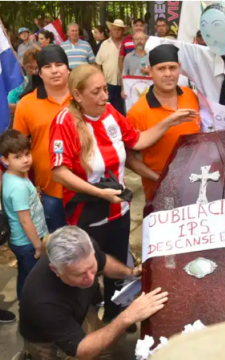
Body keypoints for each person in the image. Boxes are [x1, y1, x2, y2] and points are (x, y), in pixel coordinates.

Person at [48, 64, 197, 323]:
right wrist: (98, 193)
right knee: (89, 270)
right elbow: (59, 172)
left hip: (119, 208)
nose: (105, 97)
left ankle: (116, 316)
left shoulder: (110, 113)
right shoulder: (65, 122)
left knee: (116, 265)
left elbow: (136, 141)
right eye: (96, 92)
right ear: (77, 95)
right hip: (88, 214)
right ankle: (86, 322)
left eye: (105, 89)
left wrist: (169, 121)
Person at [19, 226, 168, 360]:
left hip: (79, 314)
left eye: (91, 267)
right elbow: (81, 350)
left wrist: (131, 272)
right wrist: (127, 317)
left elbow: (104, 261)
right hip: (49, 342)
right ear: (55, 270)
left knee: (109, 350)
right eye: (79, 274)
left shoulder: (83, 248)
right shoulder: (43, 302)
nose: (91, 279)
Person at [127, 44, 201, 200]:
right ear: (150, 70)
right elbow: (128, 158)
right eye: (161, 69)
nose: (168, 74)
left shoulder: (191, 96)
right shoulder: (138, 111)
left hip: (196, 184)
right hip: (158, 191)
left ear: (179, 68)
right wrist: (159, 179)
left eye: (172, 68)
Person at [14, 45, 70, 233]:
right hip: (48, 191)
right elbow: (17, 148)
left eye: (59, 64)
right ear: (39, 72)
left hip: (86, 189)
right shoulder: (26, 104)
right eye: (47, 66)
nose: (54, 70)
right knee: (58, 246)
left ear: (68, 68)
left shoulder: (83, 97)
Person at [0, 130, 48, 299]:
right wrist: (37, 245)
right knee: (36, 281)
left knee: (26, 275)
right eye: (17, 157)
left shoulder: (12, 176)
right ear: (5, 160)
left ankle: (24, 303)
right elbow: (25, 220)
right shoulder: (18, 187)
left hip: (22, 241)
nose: (26, 160)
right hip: (28, 242)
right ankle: (31, 309)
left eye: (27, 154)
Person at [96, 19, 125, 115]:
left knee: (123, 110)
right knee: (106, 108)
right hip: (108, 82)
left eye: (119, 29)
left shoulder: (126, 44)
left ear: (123, 31)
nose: (116, 31)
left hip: (124, 83)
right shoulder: (104, 44)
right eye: (114, 29)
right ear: (110, 31)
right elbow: (98, 63)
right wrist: (101, 79)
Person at [8, 48, 39, 115]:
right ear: (24, 67)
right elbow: (8, 105)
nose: (33, 71)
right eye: (30, 67)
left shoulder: (47, 82)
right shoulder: (19, 83)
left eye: (37, 68)